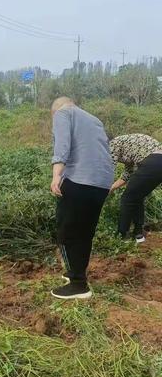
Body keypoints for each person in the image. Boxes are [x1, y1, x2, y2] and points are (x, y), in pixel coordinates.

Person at [50, 97, 114, 300]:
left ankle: (78, 284)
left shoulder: (63, 113)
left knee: (66, 231)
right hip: (102, 183)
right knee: (85, 232)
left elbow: (62, 146)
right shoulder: (94, 120)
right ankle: (76, 275)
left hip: (80, 179)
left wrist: (56, 176)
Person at [109, 133, 162, 243]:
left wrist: (101, 188)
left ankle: (122, 235)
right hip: (157, 162)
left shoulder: (111, 144)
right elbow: (127, 174)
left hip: (152, 161)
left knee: (127, 199)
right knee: (137, 197)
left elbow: (109, 168)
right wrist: (111, 188)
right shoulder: (125, 146)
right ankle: (138, 235)